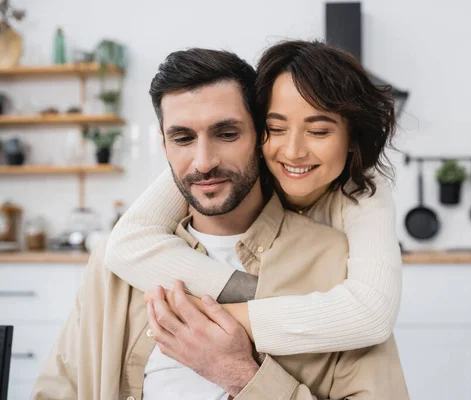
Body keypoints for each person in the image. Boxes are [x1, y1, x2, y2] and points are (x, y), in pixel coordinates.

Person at [32, 48, 409, 399]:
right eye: (182, 137)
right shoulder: (115, 267)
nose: (203, 161)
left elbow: (372, 315)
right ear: (164, 145)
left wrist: (240, 374)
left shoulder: (337, 267)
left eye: (227, 133)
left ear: (255, 134)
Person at [104, 39, 402, 356]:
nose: (293, 152)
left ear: (353, 138)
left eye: (318, 132)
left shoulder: (365, 189)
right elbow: (127, 244)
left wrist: (209, 320)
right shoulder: (222, 166)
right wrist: (250, 290)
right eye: (275, 128)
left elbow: (372, 314)